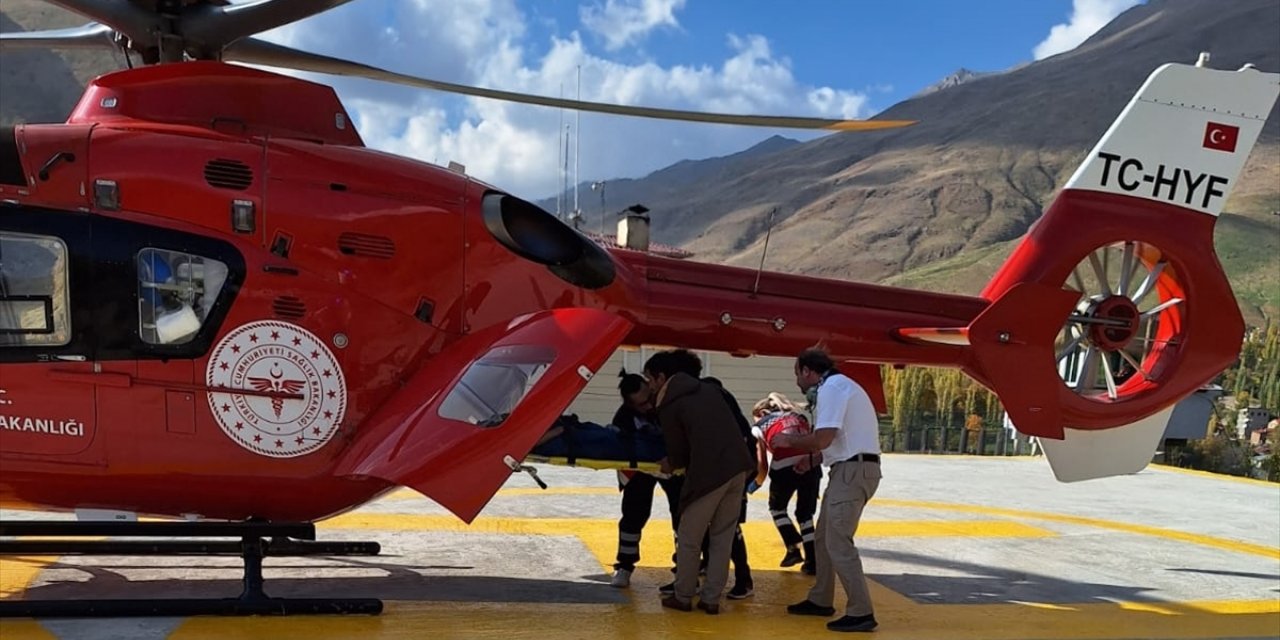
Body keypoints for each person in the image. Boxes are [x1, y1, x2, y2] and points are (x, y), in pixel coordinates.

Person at [773, 349, 882, 633]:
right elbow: (840, 441)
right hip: (850, 469)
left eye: (798, 373)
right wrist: (812, 460)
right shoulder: (840, 386)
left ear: (809, 371)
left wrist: (788, 440)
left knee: (838, 542)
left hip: (851, 472)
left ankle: (861, 612)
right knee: (823, 538)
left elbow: (823, 438)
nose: (797, 381)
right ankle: (821, 598)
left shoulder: (832, 388)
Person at [645, 350, 754, 615]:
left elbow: (678, 452)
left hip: (709, 474)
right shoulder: (711, 390)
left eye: (649, 379)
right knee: (722, 537)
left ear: (661, 378)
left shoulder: (670, 401)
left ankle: (683, 596)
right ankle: (711, 599)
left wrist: (670, 463)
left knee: (690, 537)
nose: (648, 385)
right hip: (739, 468)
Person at [608, 372, 682, 589]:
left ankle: (685, 568)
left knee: (682, 516)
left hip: (672, 466)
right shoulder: (623, 418)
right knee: (633, 516)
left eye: (648, 399)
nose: (648, 406)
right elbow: (621, 448)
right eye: (641, 405)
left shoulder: (667, 406)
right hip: (639, 470)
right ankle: (625, 566)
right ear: (629, 404)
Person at [751, 392, 821, 575]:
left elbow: (762, 464)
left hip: (783, 467)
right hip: (811, 464)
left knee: (777, 508)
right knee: (806, 515)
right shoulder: (799, 416)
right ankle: (812, 561)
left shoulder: (759, 425)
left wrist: (755, 484)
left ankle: (792, 545)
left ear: (762, 412)